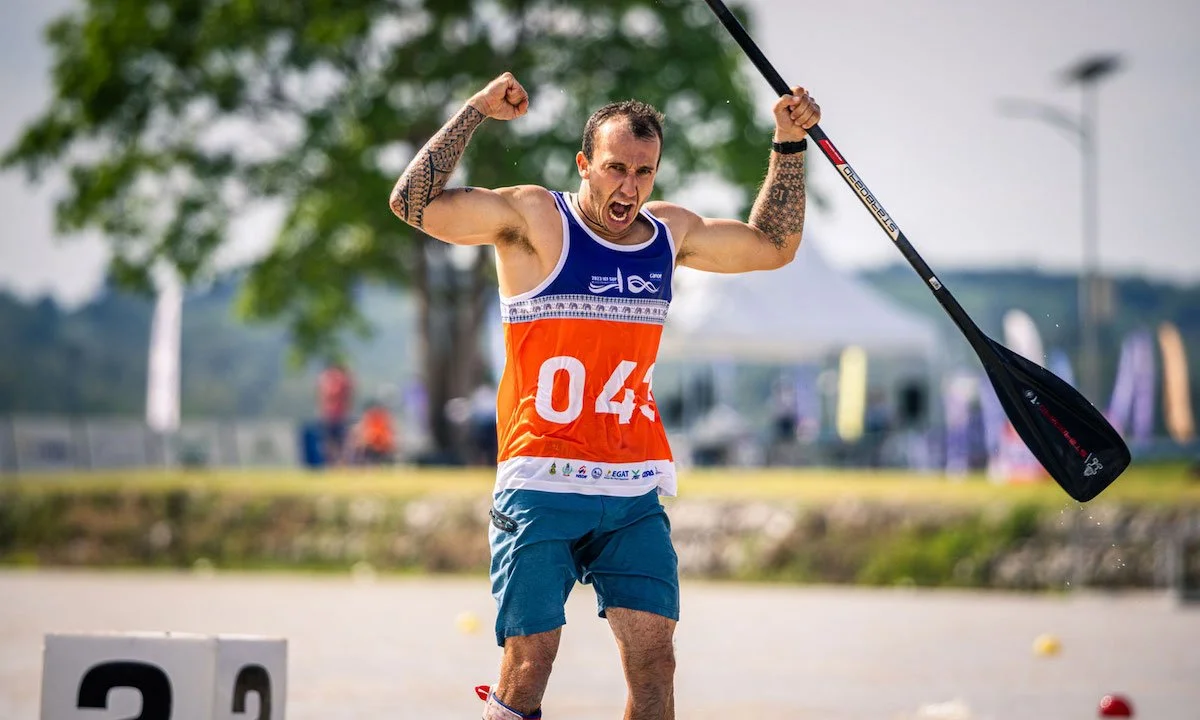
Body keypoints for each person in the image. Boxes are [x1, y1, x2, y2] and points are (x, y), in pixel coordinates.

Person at [390, 72, 819, 720]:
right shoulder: (534, 218)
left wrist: (788, 141)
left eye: (644, 172)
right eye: (616, 168)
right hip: (540, 483)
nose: (629, 187)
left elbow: (773, 246)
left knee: (655, 664)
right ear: (584, 164)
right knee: (530, 664)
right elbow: (411, 203)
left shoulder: (669, 233)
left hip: (630, 488)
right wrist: (475, 111)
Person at [317, 360, 354, 466]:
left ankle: (340, 462)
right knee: (330, 442)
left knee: (341, 442)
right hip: (330, 415)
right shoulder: (329, 379)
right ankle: (333, 462)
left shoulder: (332, 379)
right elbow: (332, 393)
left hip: (340, 415)